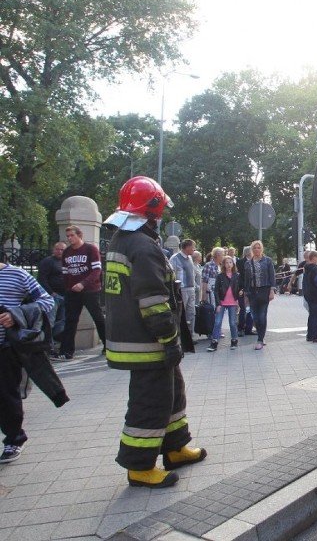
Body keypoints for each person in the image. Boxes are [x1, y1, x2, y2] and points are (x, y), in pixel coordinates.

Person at [103, 176, 206, 488]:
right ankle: (139, 466)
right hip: (147, 343)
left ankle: (175, 448)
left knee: (171, 394)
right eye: (159, 212)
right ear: (150, 212)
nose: (161, 218)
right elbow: (153, 302)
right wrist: (169, 338)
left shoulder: (122, 240)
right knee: (150, 402)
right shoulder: (143, 247)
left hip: (138, 340)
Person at [0, 260, 56, 463]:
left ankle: (14, 439)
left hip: (5, 347)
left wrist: (15, 315)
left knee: (6, 395)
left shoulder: (17, 275)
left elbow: (46, 301)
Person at [57, 225, 106, 360]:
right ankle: (66, 351)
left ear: (79, 235)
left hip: (90, 290)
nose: (70, 238)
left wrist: (83, 283)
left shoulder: (91, 249)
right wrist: (68, 288)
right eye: (68, 236)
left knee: (98, 318)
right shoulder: (67, 252)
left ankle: (107, 345)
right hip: (72, 292)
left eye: (72, 235)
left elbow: (96, 271)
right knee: (70, 320)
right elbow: (66, 272)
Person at [242, 240, 275, 350]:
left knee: (262, 316)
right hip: (252, 292)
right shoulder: (248, 263)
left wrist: (271, 291)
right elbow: (246, 280)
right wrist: (246, 294)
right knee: (254, 316)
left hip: (264, 290)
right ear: (251, 249)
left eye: (258, 248)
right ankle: (260, 334)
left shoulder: (268, 261)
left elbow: (272, 276)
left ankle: (260, 339)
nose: (257, 250)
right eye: (254, 248)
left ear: (262, 249)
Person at [206, 255, 241, 352]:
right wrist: (218, 304)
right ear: (223, 264)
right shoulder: (220, 276)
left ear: (233, 264)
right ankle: (214, 342)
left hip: (233, 302)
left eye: (230, 262)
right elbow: (216, 291)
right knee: (217, 322)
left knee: (232, 323)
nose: (229, 264)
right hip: (222, 302)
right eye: (226, 263)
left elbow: (240, 288)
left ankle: (234, 340)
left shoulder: (237, 276)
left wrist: (239, 297)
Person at [37, 241, 67, 346]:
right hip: (53, 296)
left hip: (65, 296)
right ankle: (47, 344)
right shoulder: (48, 261)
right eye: (57, 249)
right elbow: (41, 279)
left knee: (62, 321)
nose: (59, 251)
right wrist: (51, 292)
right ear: (53, 250)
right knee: (50, 321)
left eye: (62, 250)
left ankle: (54, 342)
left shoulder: (66, 262)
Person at [169, 239, 197, 340]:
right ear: (187, 247)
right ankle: (180, 337)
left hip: (191, 288)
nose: (194, 249)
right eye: (193, 247)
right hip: (182, 289)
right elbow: (171, 274)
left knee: (191, 313)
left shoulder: (189, 258)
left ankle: (190, 336)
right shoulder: (175, 258)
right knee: (181, 314)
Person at [236, 246, 254, 337]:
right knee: (243, 309)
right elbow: (241, 277)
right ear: (248, 253)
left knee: (251, 309)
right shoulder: (240, 262)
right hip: (243, 289)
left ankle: (249, 328)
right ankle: (241, 328)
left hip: (252, 289)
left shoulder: (255, 261)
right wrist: (242, 288)